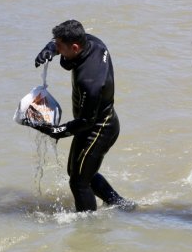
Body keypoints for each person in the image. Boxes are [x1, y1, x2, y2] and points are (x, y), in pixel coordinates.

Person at [30, 19, 132, 212]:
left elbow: (86, 121)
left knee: (78, 183)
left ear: (75, 47)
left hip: (100, 129)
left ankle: (89, 228)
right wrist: (50, 48)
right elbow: (67, 53)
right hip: (96, 120)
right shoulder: (93, 42)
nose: (57, 49)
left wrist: (56, 131)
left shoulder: (89, 81)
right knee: (77, 173)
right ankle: (120, 204)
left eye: (59, 46)